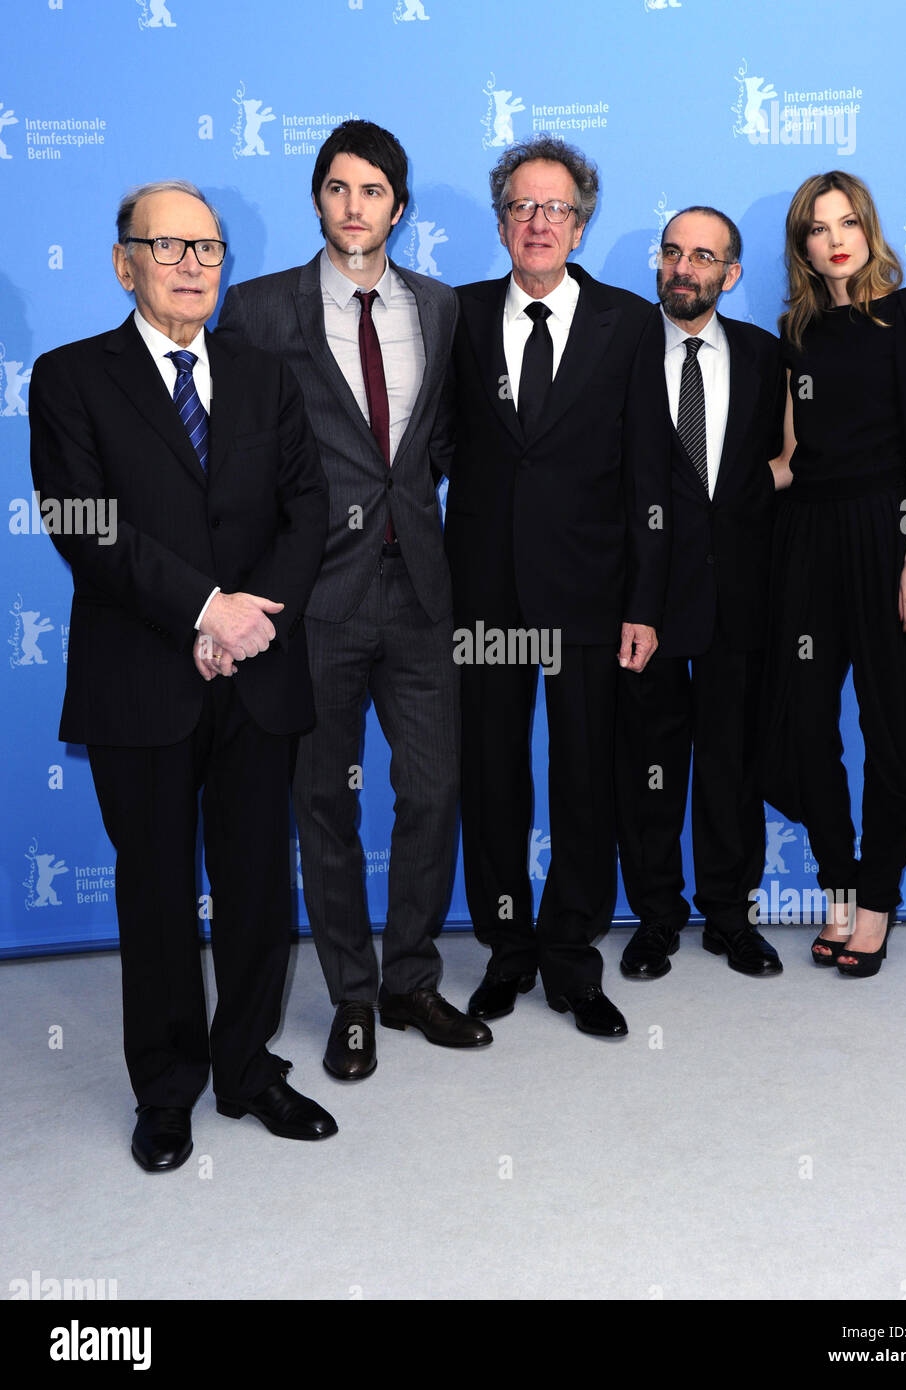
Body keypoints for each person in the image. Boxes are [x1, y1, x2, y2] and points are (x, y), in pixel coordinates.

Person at [29, 180, 337, 1171]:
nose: (191, 266)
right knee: (156, 889)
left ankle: (246, 1069)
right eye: (168, 248)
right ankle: (165, 1089)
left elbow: (307, 509)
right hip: (141, 672)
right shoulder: (70, 378)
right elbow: (85, 526)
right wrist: (206, 612)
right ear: (124, 262)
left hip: (256, 671)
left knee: (255, 883)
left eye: (206, 249)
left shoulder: (267, 375)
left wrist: (247, 622)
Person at [217, 121, 490, 1078]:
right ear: (317, 199)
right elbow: (232, 457)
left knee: (433, 790)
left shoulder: (444, 308)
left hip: (420, 588)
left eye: (373, 192)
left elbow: (444, 443)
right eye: (337, 189)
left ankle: (412, 976)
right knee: (322, 804)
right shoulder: (254, 311)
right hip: (311, 600)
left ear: (397, 209)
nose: (354, 207)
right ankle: (353, 999)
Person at [442, 136, 670, 1037]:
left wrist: (644, 603)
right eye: (522, 207)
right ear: (501, 222)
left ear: (580, 224)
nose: (538, 223)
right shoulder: (451, 316)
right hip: (485, 598)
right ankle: (506, 949)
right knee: (491, 781)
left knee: (584, 782)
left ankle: (573, 958)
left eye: (556, 208)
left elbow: (651, 475)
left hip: (591, 597)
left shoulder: (626, 322)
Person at [764, 170, 906, 977]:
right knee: (807, 722)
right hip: (807, 537)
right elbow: (787, 457)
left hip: (890, 534)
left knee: (889, 720)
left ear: (869, 228)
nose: (834, 238)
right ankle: (838, 886)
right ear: (802, 246)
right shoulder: (796, 330)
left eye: (846, 222)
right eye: (817, 229)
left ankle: (878, 902)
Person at [615, 206, 785, 980]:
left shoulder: (764, 356)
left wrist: (755, 489)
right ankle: (655, 918)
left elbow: (792, 458)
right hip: (642, 602)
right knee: (648, 766)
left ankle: (729, 915)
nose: (683, 268)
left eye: (703, 257)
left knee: (731, 763)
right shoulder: (615, 349)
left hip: (738, 597)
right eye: (673, 253)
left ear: (730, 273)